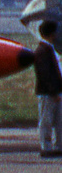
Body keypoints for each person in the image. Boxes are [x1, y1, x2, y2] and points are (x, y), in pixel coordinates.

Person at [35, 20, 62, 158]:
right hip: (47, 93)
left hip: (55, 92)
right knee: (46, 120)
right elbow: (44, 74)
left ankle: (58, 146)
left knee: (58, 121)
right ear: (51, 34)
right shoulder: (42, 51)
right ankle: (46, 147)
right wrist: (53, 92)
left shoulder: (48, 50)